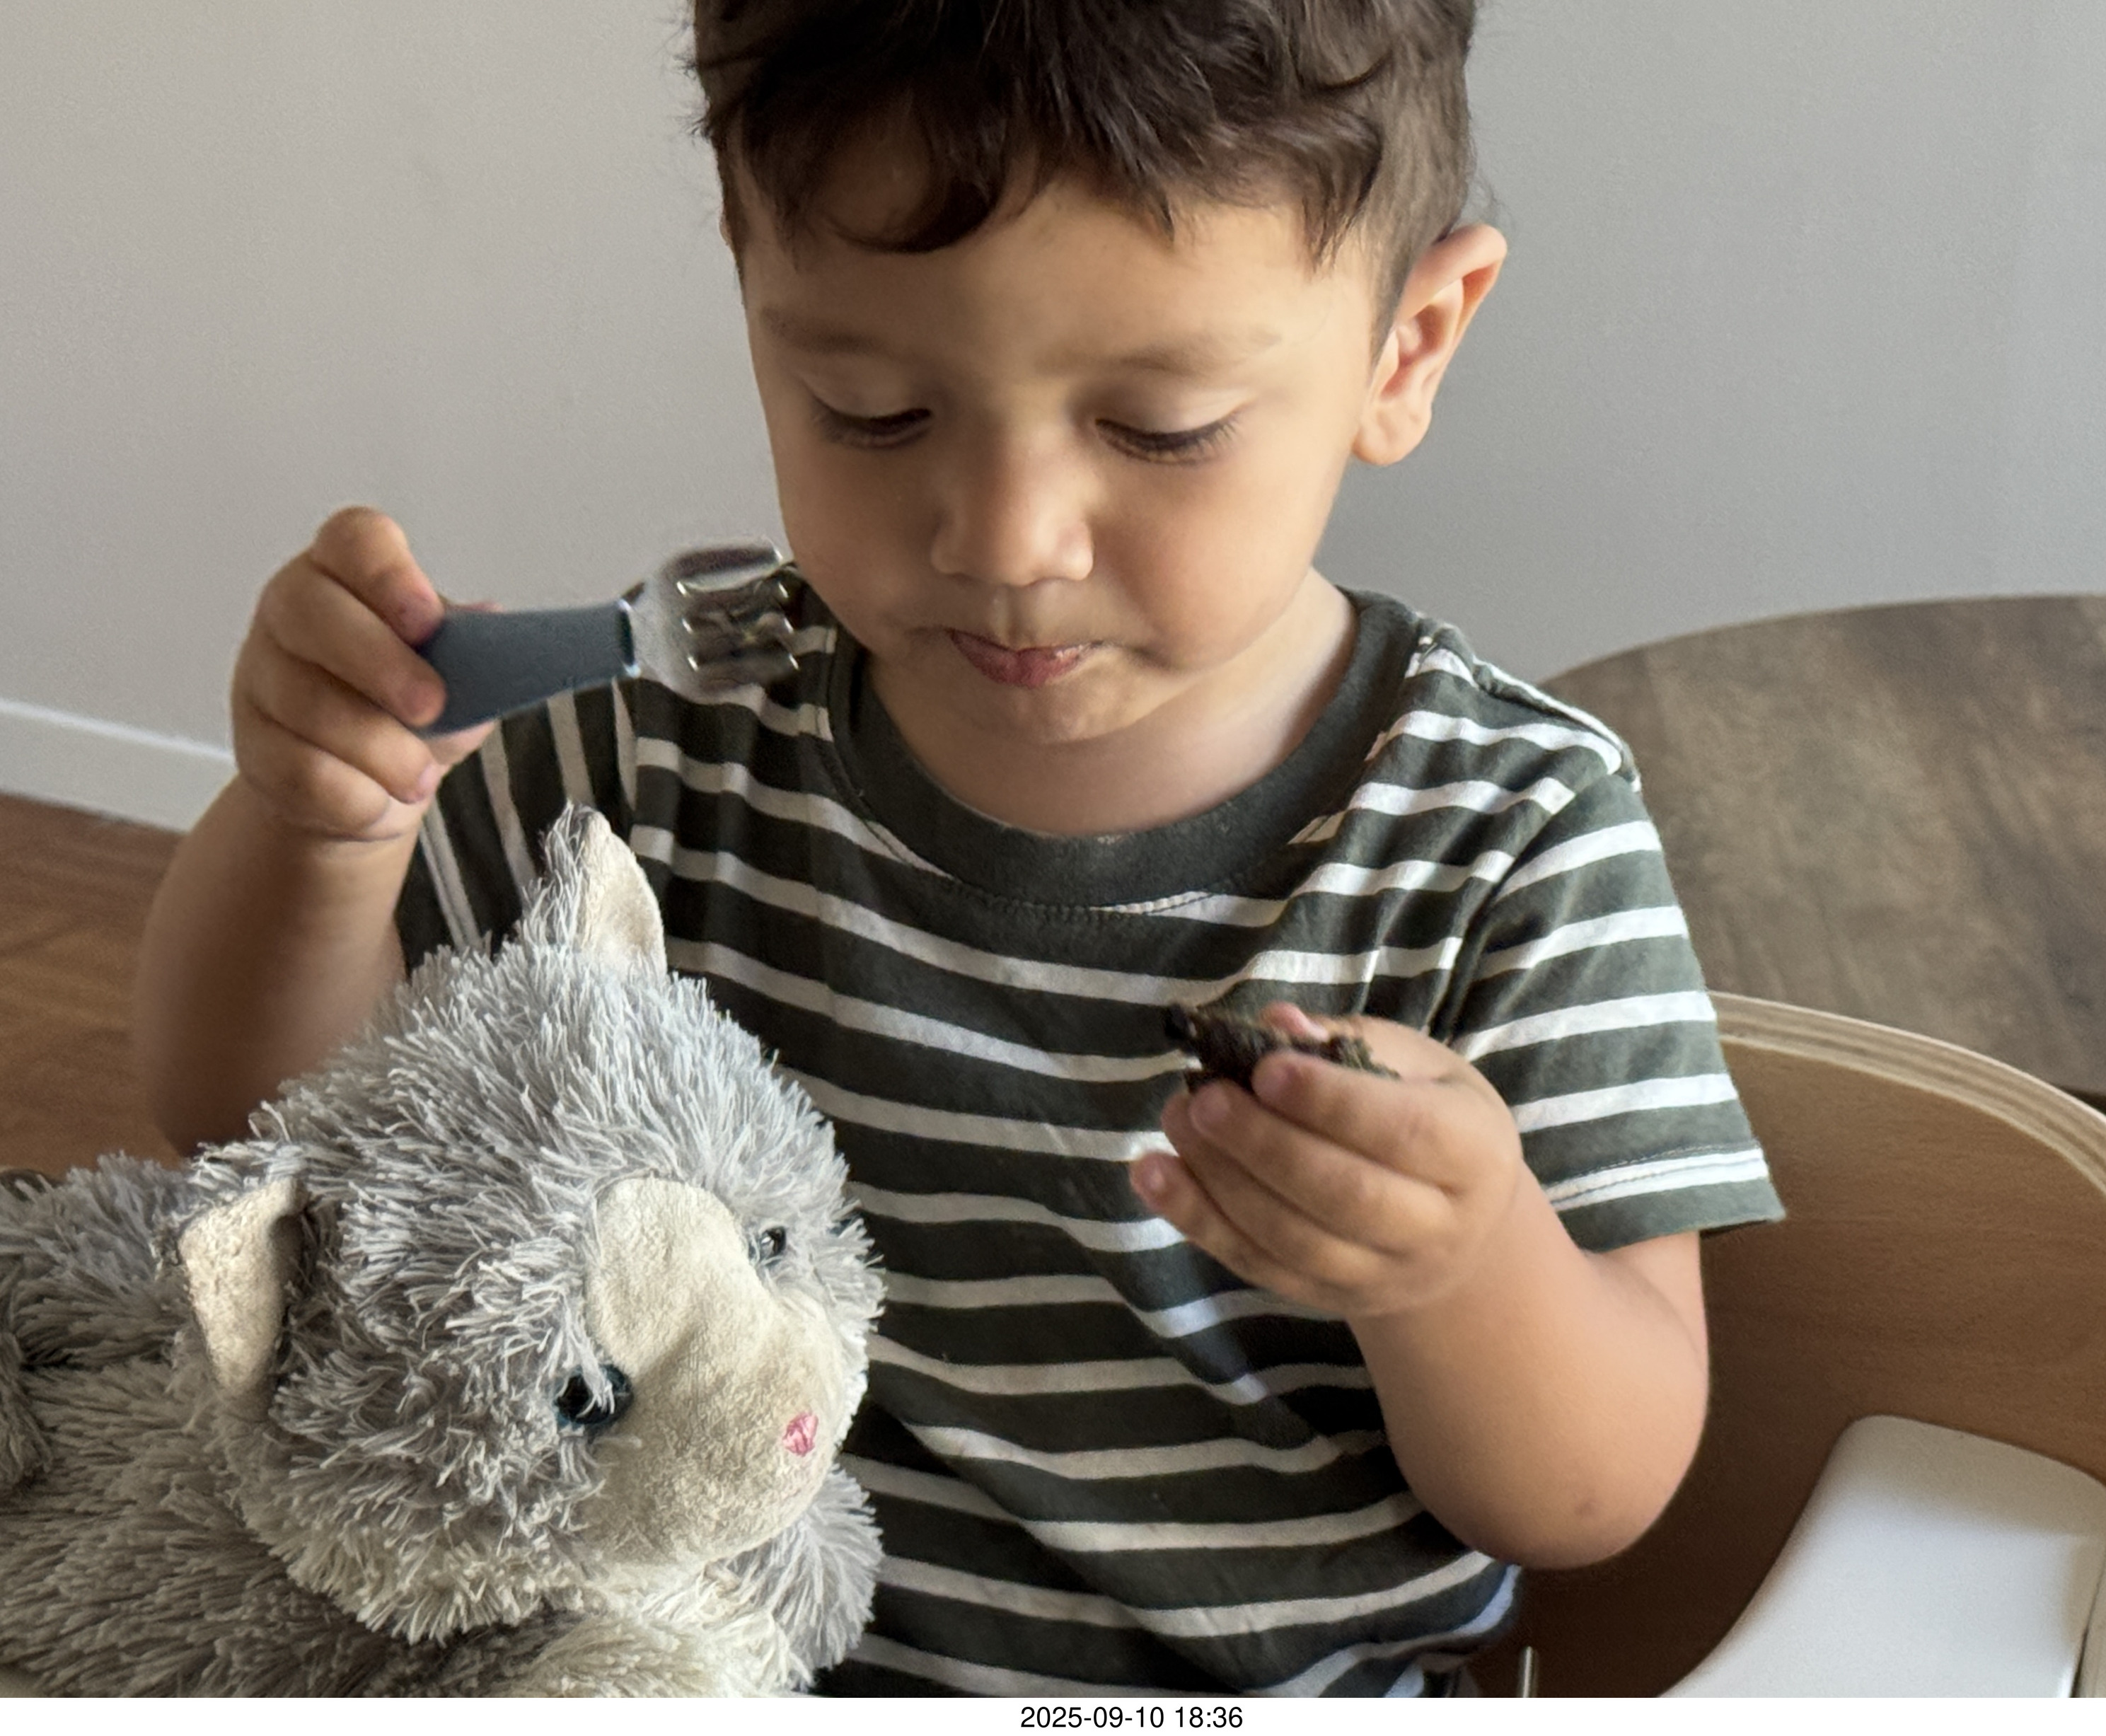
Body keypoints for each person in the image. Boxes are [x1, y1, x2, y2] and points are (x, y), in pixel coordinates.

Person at [134, 0, 1782, 1696]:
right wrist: (321, 828)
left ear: (1407, 346)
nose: (1006, 539)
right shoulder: (665, 734)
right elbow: (255, 1124)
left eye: (1159, 426)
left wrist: (1459, 1264)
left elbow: (1588, 1494)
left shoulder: (1502, 836)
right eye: (871, 409)